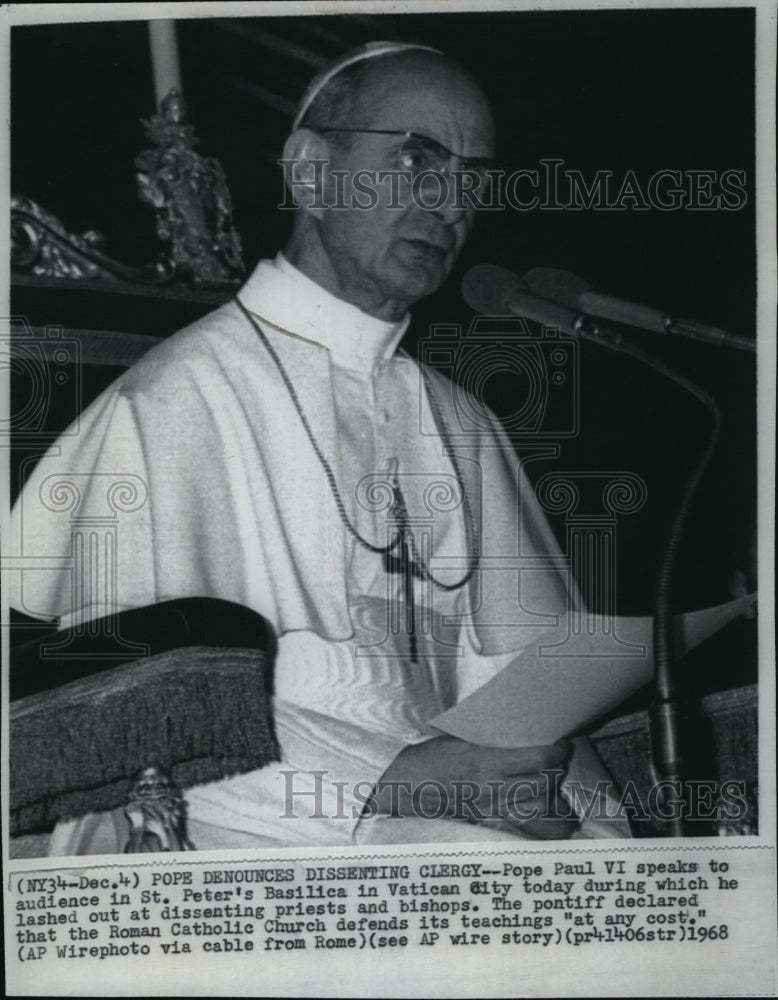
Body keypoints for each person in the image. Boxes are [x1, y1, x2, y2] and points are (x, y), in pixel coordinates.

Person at [9, 42, 629, 852]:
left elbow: (541, 695)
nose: (450, 203)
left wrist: (585, 823)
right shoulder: (171, 403)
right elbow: (144, 734)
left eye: (474, 178)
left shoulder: (464, 424)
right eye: (418, 159)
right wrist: (397, 778)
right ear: (310, 173)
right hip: (260, 832)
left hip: (450, 827)